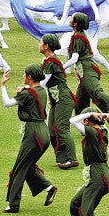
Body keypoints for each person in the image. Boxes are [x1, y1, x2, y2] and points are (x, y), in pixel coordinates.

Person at [0, 64, 57, 213]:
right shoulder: (41, 90)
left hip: (33, 133)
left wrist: (3, 85)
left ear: (30, 77)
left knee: (20, 167)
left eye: (25, 74)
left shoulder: (27, 93)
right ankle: (48, 187)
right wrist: (24, 90)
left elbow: (7, 103)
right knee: (28, 165)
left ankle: (13, 204)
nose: (23, 77)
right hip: (43, 132)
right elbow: (32, 95)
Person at [68, 109, 109, 216]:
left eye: (85, 120)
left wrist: (89, 114)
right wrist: (102, 115)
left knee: (86, 209)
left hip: (97, 176)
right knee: (75, 203)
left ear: (87, 121)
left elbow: (72, 120)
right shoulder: (102, 130)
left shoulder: (92, 133)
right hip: (102, 174)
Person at [38, 33, 80, 170]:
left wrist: (27, 88)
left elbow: (43, 82)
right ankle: (62, 159)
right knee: (51, 129)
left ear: (46, 46)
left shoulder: (51, 62)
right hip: (57, 100)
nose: (39, 45)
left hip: (63, 99)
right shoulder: (49, 61)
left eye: (40, 42)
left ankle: (72, 158)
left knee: (62, 127)